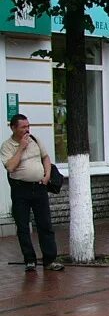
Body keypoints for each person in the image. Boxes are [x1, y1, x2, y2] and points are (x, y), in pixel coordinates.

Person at [2, 114, 64, 272]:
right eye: (23, 127)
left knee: (45, 224)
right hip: (20, 190)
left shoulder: (35, 140)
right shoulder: (7, 146)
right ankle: (29, 260)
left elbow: (46, 157)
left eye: (28, 126)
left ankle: (50, 260)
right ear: (13, 128)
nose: (27, 130)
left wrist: (47, 175)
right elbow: (10, 167)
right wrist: (21, 148)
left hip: (39, 187)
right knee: (23, 226)